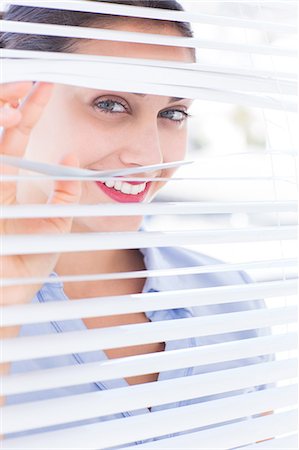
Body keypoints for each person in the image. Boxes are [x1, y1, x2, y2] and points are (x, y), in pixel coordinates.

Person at [0, 0, 270, 444]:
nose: (149, 157)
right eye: (110, 104)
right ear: (14, 100)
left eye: (172, 114)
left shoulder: (230, 300)